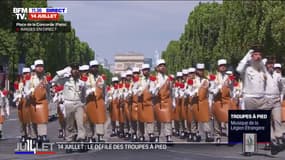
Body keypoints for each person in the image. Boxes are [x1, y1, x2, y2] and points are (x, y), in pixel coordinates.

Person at [236, 47, 285, 155]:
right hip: (249, 99)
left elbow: (270, 74)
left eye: (260, 55)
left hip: (261, 99)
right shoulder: (247, 68)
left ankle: (273, 144)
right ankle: (249, 149)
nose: (258, 56)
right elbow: (239, 69)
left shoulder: (262, 68)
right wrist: (248, 54)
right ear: (251, 56)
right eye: (256, 54)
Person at [52, 63, 87, 153]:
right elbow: (54, 81)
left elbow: (84, 95)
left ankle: (81, 140)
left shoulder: (82, 83)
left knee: (80, 124)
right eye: (73, 69)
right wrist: (63, 71)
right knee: (69, 126)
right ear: (71, 71)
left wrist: (83, 104)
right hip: (69, 103)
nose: (75, 71)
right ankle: (69, 143)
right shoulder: (65, 81)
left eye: (77, 69)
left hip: (78, 104)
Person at [24, 59, 50, 147]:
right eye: (38, 66)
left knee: (42, 120)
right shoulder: (30, 79)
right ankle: (34, 136)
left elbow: (48, 91)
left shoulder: (44, 78)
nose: (40, 68)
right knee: (33, 121)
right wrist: (29, 92)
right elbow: (25, 90)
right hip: (33, 102)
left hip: (42, 102)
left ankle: (42, 135)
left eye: (41, 66)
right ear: (35, 68)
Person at [150, 59, 173, 142]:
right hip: (157, 101)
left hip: (166, 101)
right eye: (160, 66)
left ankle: (168, 136)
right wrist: (156, 88)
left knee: (168, 119)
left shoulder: (168, 78)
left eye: (164, 65)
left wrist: (173, 102)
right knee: (157, 120)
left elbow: (171, 91)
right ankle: (156, 135)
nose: (163, 67)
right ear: (157, 68)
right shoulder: (154, 79)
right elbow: (151, 92)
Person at [85, 60, 107, 142]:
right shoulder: (87, 78)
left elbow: (105, 91)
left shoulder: (101, 78)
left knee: (100, 119)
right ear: (90, 68)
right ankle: (90, 136)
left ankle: (100, 136)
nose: (95, 68)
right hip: (90, 101)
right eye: (93, 67)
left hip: (99, 101)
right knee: (90, 120)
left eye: (96, 67)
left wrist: (105, 101)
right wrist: (90, 91)